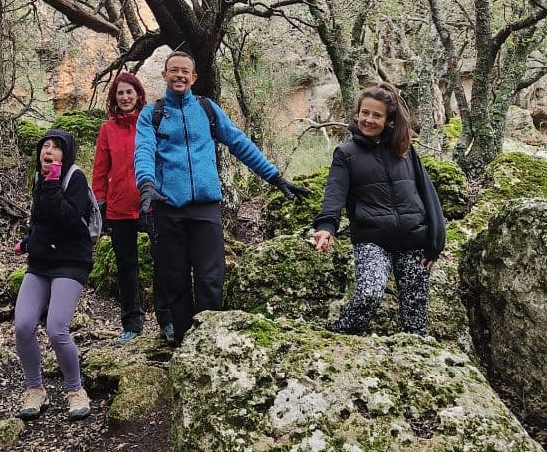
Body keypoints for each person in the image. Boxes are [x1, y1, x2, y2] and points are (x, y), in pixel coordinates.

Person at [134, 50, 308, 346]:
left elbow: (238, 142)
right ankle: (183, 344)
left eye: (185, 71)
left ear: (193, 78)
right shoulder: (153, 114)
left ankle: (209, 341)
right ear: (164, 76)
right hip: (167, 208)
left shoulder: (207, 109)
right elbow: (144, 151)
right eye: (173, 70)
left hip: (205, 208)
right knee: (174, 281)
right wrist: (147, 184)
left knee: (210, 278)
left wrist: (274, 176)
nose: (179, 75)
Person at [311, 81, 446, 335]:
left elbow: (428, 194)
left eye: (376, 115)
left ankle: (414, 362)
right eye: (365, 113)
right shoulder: (345, 153)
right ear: (357, 113)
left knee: (415, 319)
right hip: (373, 240)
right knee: (368, 294)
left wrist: (435, 242)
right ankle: (339, 340)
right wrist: (326, 226)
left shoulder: (404, 150)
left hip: (413, 241)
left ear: (388, 120)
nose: (369, 120)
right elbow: (335, 192)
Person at [14, 128, 93, 421]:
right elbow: (41, 221)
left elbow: (70, 220)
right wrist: (28, 242)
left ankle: (76, 390)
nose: (48, 151)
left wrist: (52, 183)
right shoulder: (38, 178)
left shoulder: (75, 177)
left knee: (56, 328)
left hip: (71, 261)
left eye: (56, 147)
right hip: (41, 262)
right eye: (45, 146)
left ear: (66, 153)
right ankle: (35, 389)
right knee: (22, 326)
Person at [92, 73, 174, 345]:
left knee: (163, 260)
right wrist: (100, 202)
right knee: (126, 266)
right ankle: (132, 324)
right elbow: (100, 170)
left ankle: (167, 319)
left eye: (130, 92)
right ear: (114, 99)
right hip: (118, 207)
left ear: (139, 95)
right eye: (120, 93)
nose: (125, 98)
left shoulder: (151, 121)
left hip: (152, 203)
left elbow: (163, 159)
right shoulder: (107, 129)